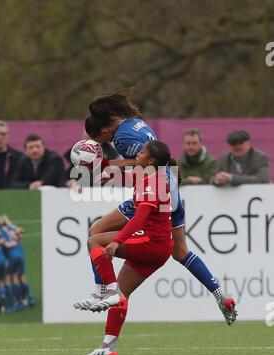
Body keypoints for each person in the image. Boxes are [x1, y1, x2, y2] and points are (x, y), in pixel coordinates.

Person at [74, 90, 237, 326]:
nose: (103, 145)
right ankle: (221, 296)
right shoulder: (135, 123)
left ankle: (103, 291)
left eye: (101, 141)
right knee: (180, 251)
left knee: (95, 232)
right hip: (171, 189)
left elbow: (142, 161)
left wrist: (107, 166)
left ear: (105, 131)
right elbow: (151, 157)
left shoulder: (121, 138)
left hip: (155, 192)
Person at [79, 141, 174, 355]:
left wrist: (118, 240)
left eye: (141, 152)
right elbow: (125, 175)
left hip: (152, 243)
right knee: (122, 293)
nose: (136, 155)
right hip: (157, 247)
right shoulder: (147, 177)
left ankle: (106, 291)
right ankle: (108, 347)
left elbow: (140, 217)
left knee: (95, 241)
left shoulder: (157, 182)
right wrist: (106, 172)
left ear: (150, 160)